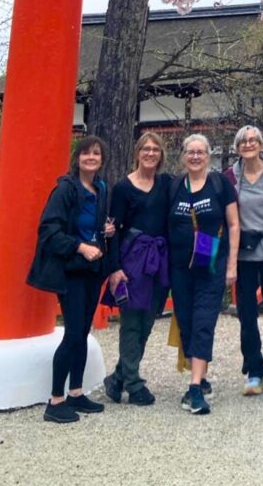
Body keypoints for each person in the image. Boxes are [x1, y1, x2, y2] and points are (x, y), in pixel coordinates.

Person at [27, 135, 114, 424]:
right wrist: (80, 246)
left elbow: (96, 225)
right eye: (86, 153)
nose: (91, 158)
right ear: (77, 158)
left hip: (92, 269)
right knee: (73, 332)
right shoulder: (65, 190)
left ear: (102, 160)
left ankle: (76, 392)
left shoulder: (101, 189)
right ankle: (55, 400)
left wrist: (107, 232)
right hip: (71, 270)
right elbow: (49, 230)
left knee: (83, 332)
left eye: (97, 154)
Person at [168, 133, 239, 415]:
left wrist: (232, 265)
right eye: (190, 152)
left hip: (211, 264)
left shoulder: (220, 184)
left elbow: (234, 225)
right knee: (186, 320)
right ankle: (201, 373)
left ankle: (194, 387)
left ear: (208, 156)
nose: (195, 156)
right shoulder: (175, 186)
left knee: (204, 321)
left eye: (200, 152)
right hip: (180, 267)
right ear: (184, 156)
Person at [103, 132, 170, 406]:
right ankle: (133, 382)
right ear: (137, 153)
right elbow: (113, 230)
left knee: (148, 320)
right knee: (131, 321)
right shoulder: (122, 188)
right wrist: (114, 268)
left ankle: (118, 377)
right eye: (146, 149)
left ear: (161, 154)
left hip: (157, 260)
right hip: (132, 258)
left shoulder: (166, 184)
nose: (151, 153)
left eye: (155, 149)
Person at [224, 124, 263, 396]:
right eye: (243, 141)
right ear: (237, 148)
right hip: (243, 252)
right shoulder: (229, 178)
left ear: (262, 145)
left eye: (253, 140)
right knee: (246, 313)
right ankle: (253, 369)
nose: (248, 145)